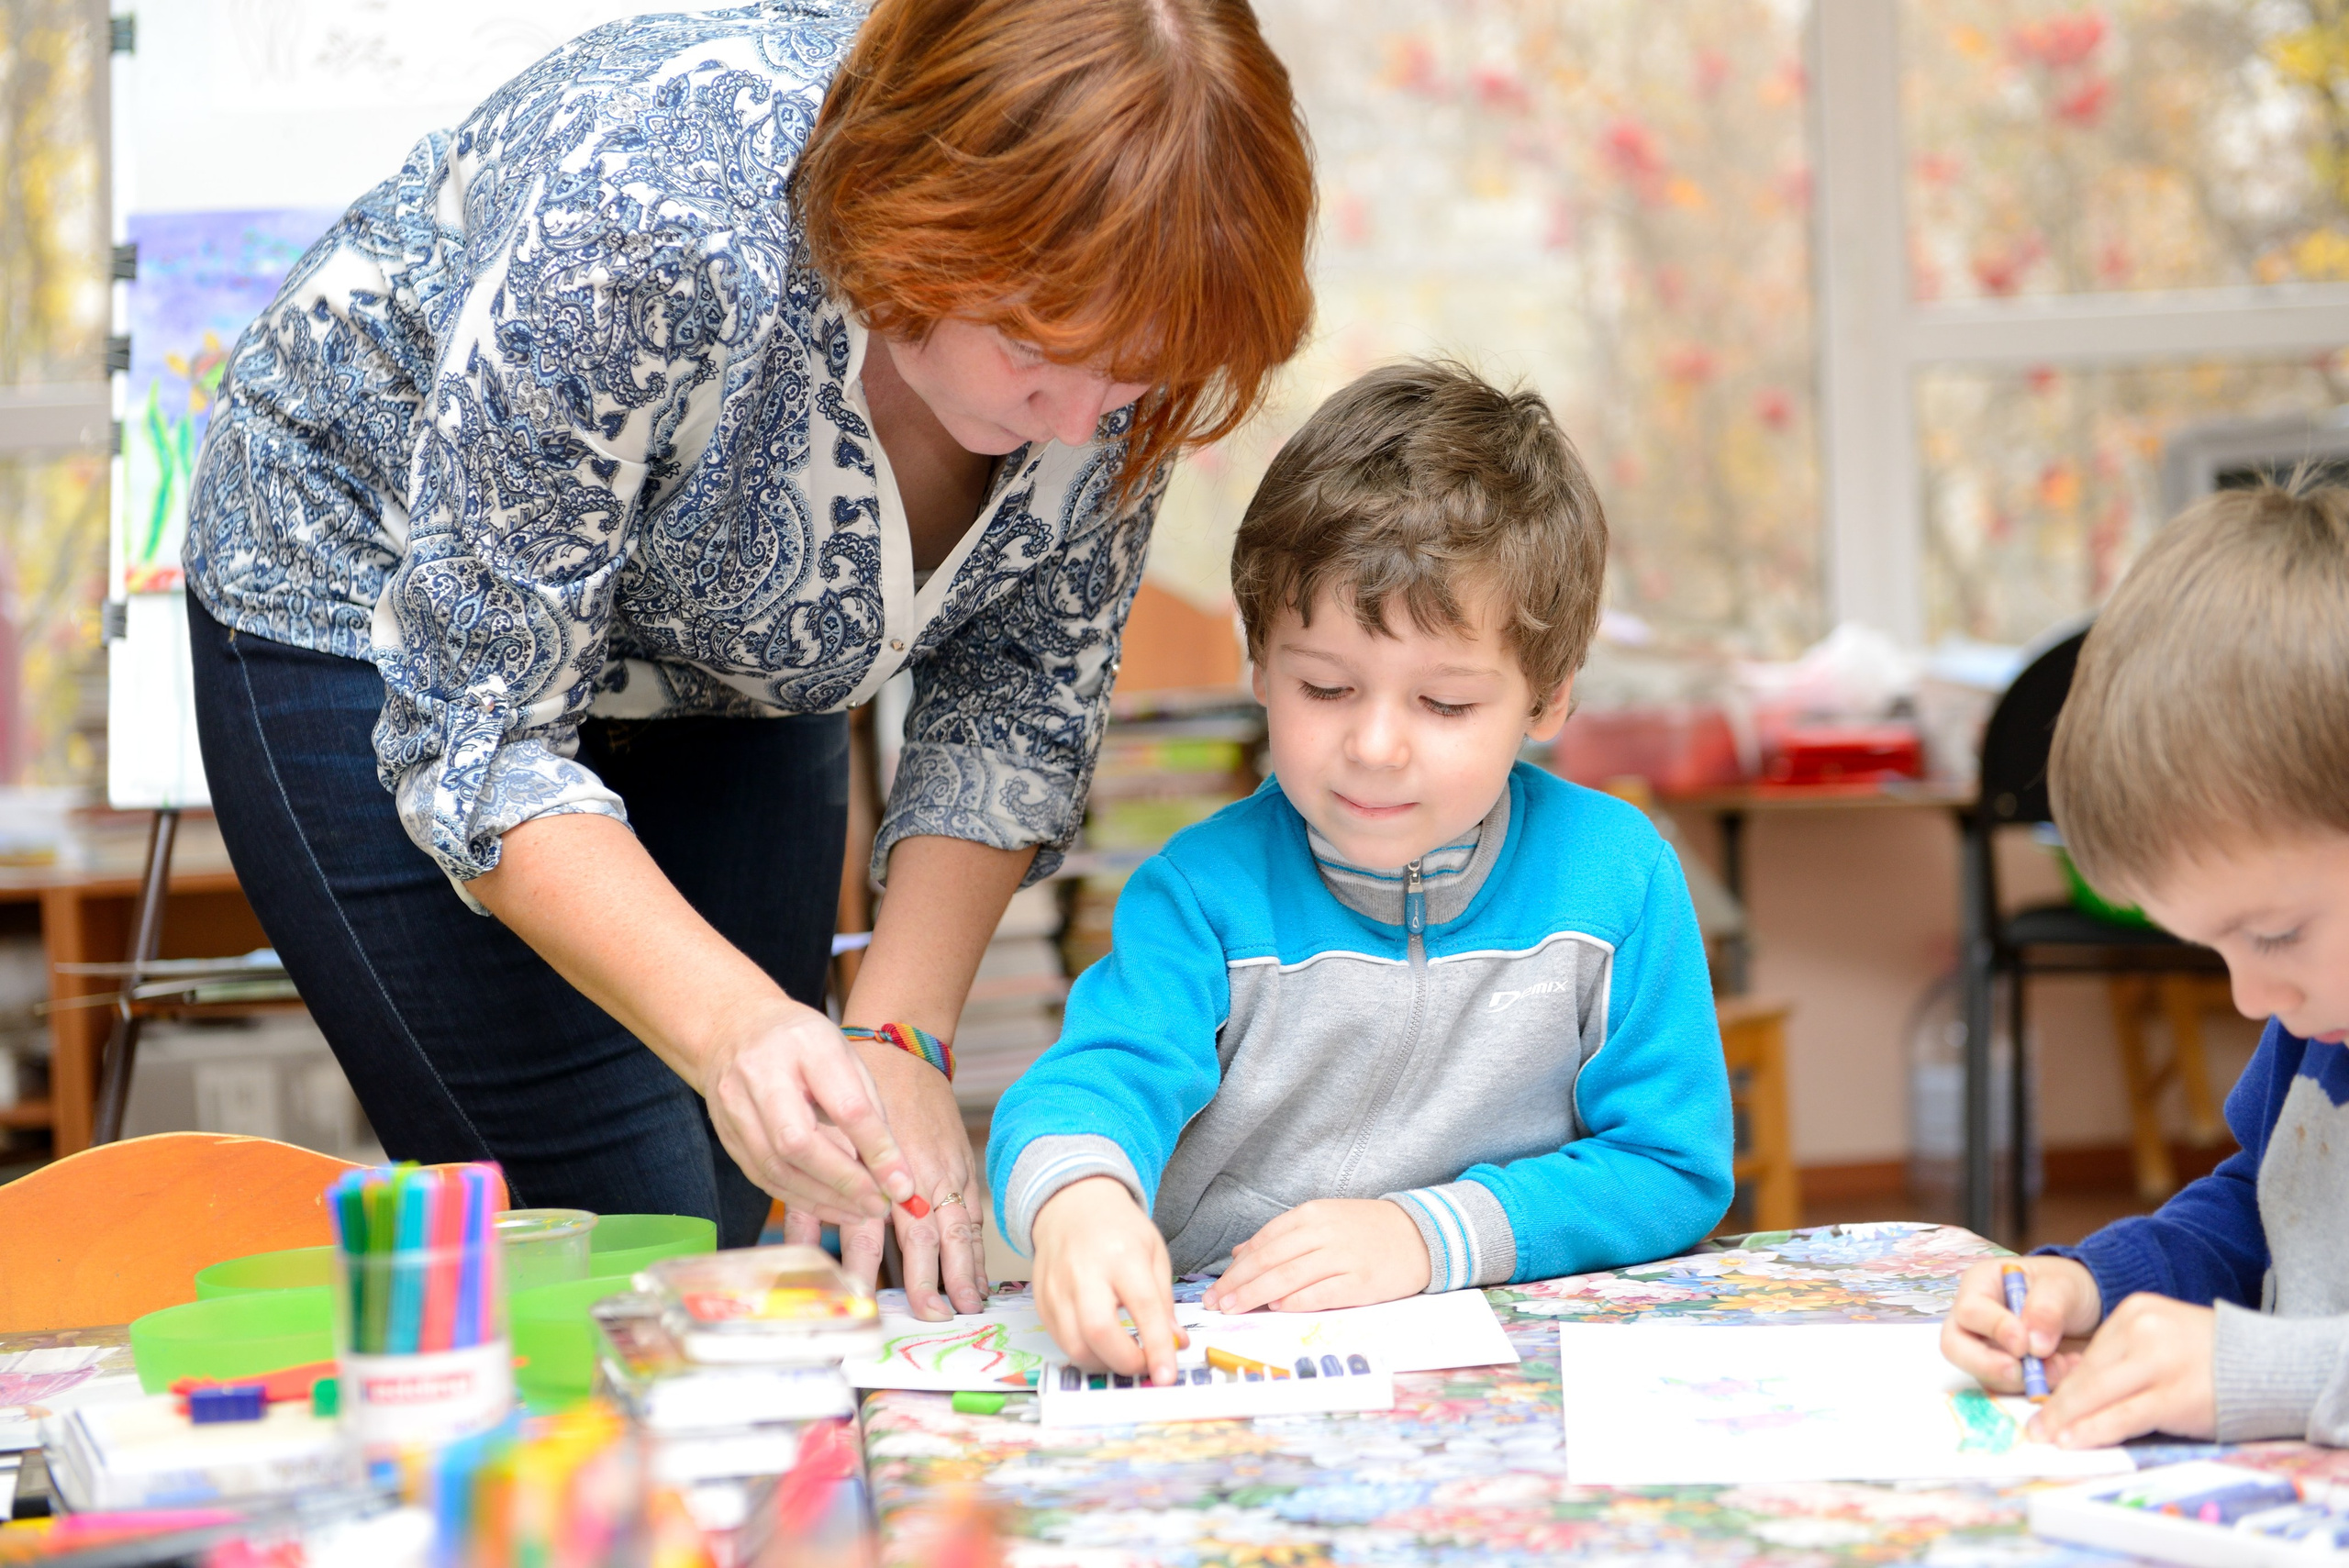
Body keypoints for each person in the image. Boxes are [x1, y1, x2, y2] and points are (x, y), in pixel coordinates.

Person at [178, 0, 1313, 1317]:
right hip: (379, 606)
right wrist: (731, 1025)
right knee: (643, 1234)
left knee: (772, 1184)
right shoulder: (653, 218)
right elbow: (479, 736)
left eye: (1127, 382)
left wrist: (898, 1037)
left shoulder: (1123, 338)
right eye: (1033, 355)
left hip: (731, 659)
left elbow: (1016, 705)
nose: (1077, 423)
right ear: (915, 224)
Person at [986, 361, 1734, 1383]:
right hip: (1236, 1370)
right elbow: (1082, 1089)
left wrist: (1427, 1234)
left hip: (1509, 1371)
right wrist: (1080, 1203)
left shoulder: (1620, 877)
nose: (1376, 746)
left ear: (1547, 699)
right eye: (1327, 686)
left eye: (1445, 704)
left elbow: (1669, 1165)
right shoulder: (1200, 896)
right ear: (1259, 667)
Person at [1940, 481, 2349, 1448]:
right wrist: (2090, 1283)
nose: (2253, 996)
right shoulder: (2319, 1027)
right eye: (2215, 948)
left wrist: (2261, 1372)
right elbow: (2268, 1212)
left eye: (2276, 933)